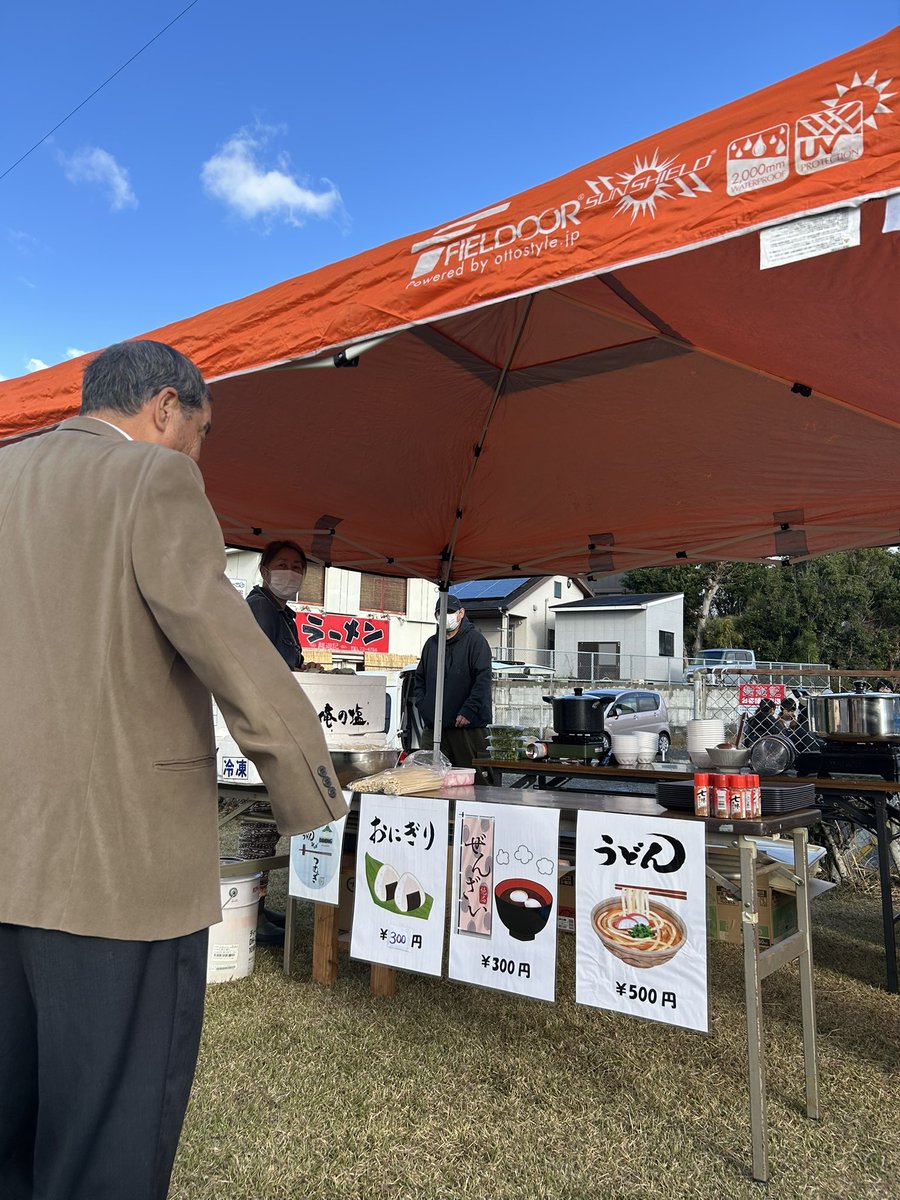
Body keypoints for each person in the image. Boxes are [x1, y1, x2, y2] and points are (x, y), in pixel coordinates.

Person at [0, 340, 347, 1200]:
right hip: (116, 867)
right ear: (165, 406)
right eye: (201, 429)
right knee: (108, 1134)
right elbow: (222, 639)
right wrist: (311, 783)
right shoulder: (151, 480)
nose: (200, 450)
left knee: (11, 1117)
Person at [239, 539, 310, 945]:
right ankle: (250, 910)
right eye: (282, 564)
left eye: (297, 566)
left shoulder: (286, 615)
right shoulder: (259, 608)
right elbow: (260, 669)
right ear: (265, 569)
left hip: (280, 728)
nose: (290, 571)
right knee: (259, 825)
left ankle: (259, 905)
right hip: (263, 731)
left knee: (268, 825)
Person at [414, 595, 493, 772]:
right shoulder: (431, 644)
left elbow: (483, 680)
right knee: (428, 779)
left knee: (473, 781)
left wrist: (469, 710)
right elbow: (419, 680)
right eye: (440, 613)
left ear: (461, 613)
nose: (445, 616)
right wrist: (425, 708)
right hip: (434, 728)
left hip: (468, 728)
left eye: (449, 612)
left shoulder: (476, 641)